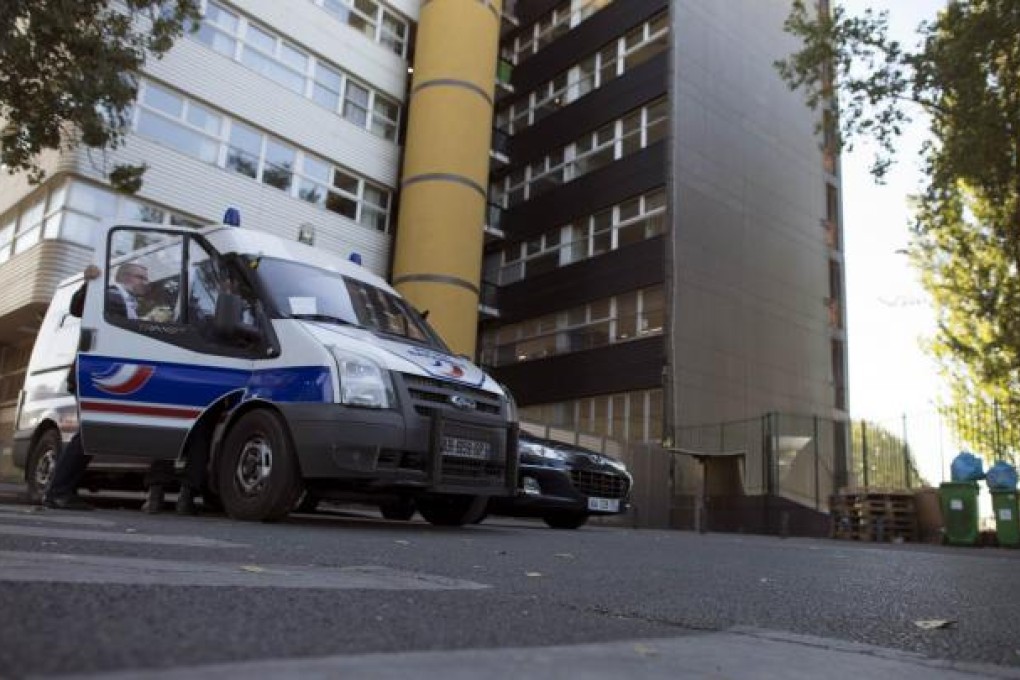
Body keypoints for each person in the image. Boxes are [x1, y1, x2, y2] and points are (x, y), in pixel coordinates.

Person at [42, 264, 101, 510]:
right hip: (91, 372)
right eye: (139, 276)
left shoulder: (134, 301)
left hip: (96, 373)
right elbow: (77, 308)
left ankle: (61, 491)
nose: (144, 281)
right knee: (87, 434)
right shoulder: (105, 293)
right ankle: (58, 492)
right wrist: (89, 284)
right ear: (127, 277)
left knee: (90, 435)